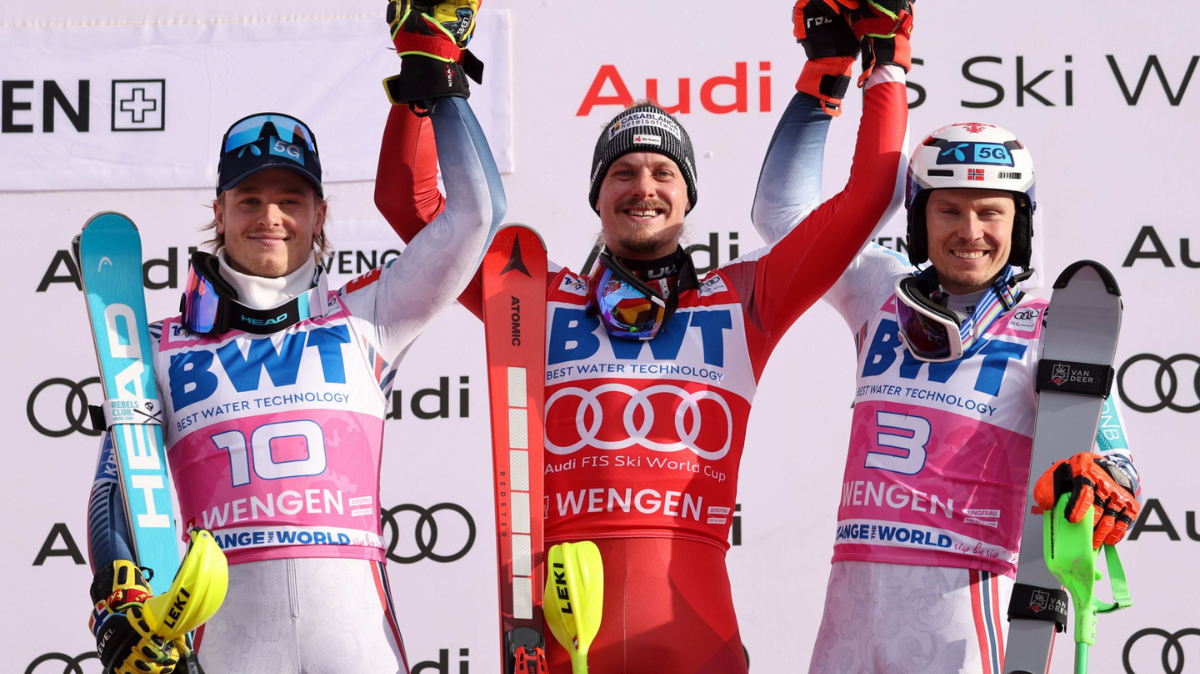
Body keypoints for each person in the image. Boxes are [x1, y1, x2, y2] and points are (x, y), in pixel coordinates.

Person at [374, 3, 912, 671]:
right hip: (559, 644)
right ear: (597, 196)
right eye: (622, 172)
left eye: (664, 173)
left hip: (698, 642)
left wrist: (872, 63)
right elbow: (410, 204)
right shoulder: (533, 298)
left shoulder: (745, 301)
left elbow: (868, 194)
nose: (643, 187)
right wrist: (428, 67)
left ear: (688, 199)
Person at [84, 5, 504, 673]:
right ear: (218, 214)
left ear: (320, 216)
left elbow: (477, 216)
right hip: (225, 649)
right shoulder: (158, 346)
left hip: (359, 651)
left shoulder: (368, 318)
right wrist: (117, 599)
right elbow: (117, 485)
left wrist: (438, 70)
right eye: (248, 200)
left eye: (290, 199)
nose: (270, 218)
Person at [751, 14, 1142, 674]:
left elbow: (1117, 466)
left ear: (1019, 225)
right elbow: (783, 219)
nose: (970, 230)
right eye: (948, 208)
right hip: (849, 621)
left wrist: (1105, 484)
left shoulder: (1053, 322)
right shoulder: (881, 287)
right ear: (918, 217)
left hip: (968, 625)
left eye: (992, 211)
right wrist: (830, 74)